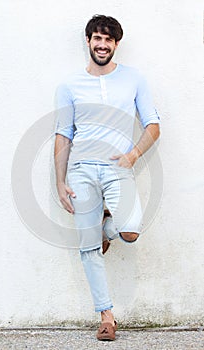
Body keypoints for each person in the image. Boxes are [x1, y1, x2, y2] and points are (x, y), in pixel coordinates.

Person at [54, 15, 160, 341]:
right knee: (88, 248)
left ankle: (105, 228)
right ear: (88, 42)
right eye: (96, 39)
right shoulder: (69, 85)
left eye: (108, 40)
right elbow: (63, 135)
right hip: (82, 168)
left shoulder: (134, 79)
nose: (102, 45)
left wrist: (131, 156)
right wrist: (60, 182)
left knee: (130, 230)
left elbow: (153, 125)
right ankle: (106, 316)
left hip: (117, 167)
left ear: (116, 44)